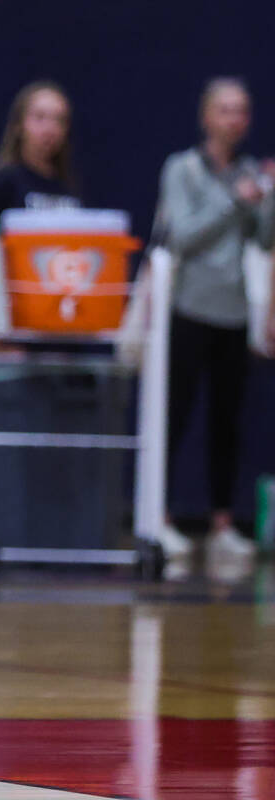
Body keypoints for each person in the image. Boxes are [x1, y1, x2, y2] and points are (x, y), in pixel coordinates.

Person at [153, 77, 275, 564]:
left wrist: (269, 201)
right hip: (188, 310)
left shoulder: (249, 170)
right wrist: (236, 200)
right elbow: (181, 236)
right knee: (175, 415)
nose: (234, 119)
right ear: (206, 116)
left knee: (227, 423)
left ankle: (222, 521)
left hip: (234, 313)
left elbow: (265, 241)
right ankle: (158, 518)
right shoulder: (182, 168)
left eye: (242, 110)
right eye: (224, 110)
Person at [0, 80, 80, 241]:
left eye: (59, 120)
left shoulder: (66, 184)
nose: (50, 129)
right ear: (19, 125)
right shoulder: (4, 181)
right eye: (40, 117)